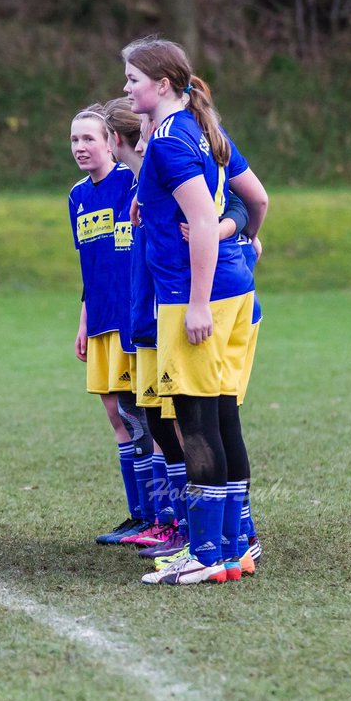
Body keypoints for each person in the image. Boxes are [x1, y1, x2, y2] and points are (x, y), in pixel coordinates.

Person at [122, 37, 269, 586]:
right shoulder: (198, 128)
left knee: (197, 423)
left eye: (133, 79)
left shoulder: (168, 140)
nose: (126, 88)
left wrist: (198, 302)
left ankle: (207, 553)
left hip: (194, 295)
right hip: (234, 290)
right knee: (222, 416)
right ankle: (231, 552)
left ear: (162, 84)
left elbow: (203, 222)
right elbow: (252, 201)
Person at [66, 102, 162, 546]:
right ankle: (139, 513)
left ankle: (160, 515)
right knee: (116, 414)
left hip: (132, 319)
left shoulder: (133, 183)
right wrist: (84, 321)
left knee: (143, 414)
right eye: (74, 139)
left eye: (89, 138)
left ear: (111, 142)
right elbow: (91, 268)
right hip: (101, 319)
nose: (81, 147)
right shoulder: (77, 196)